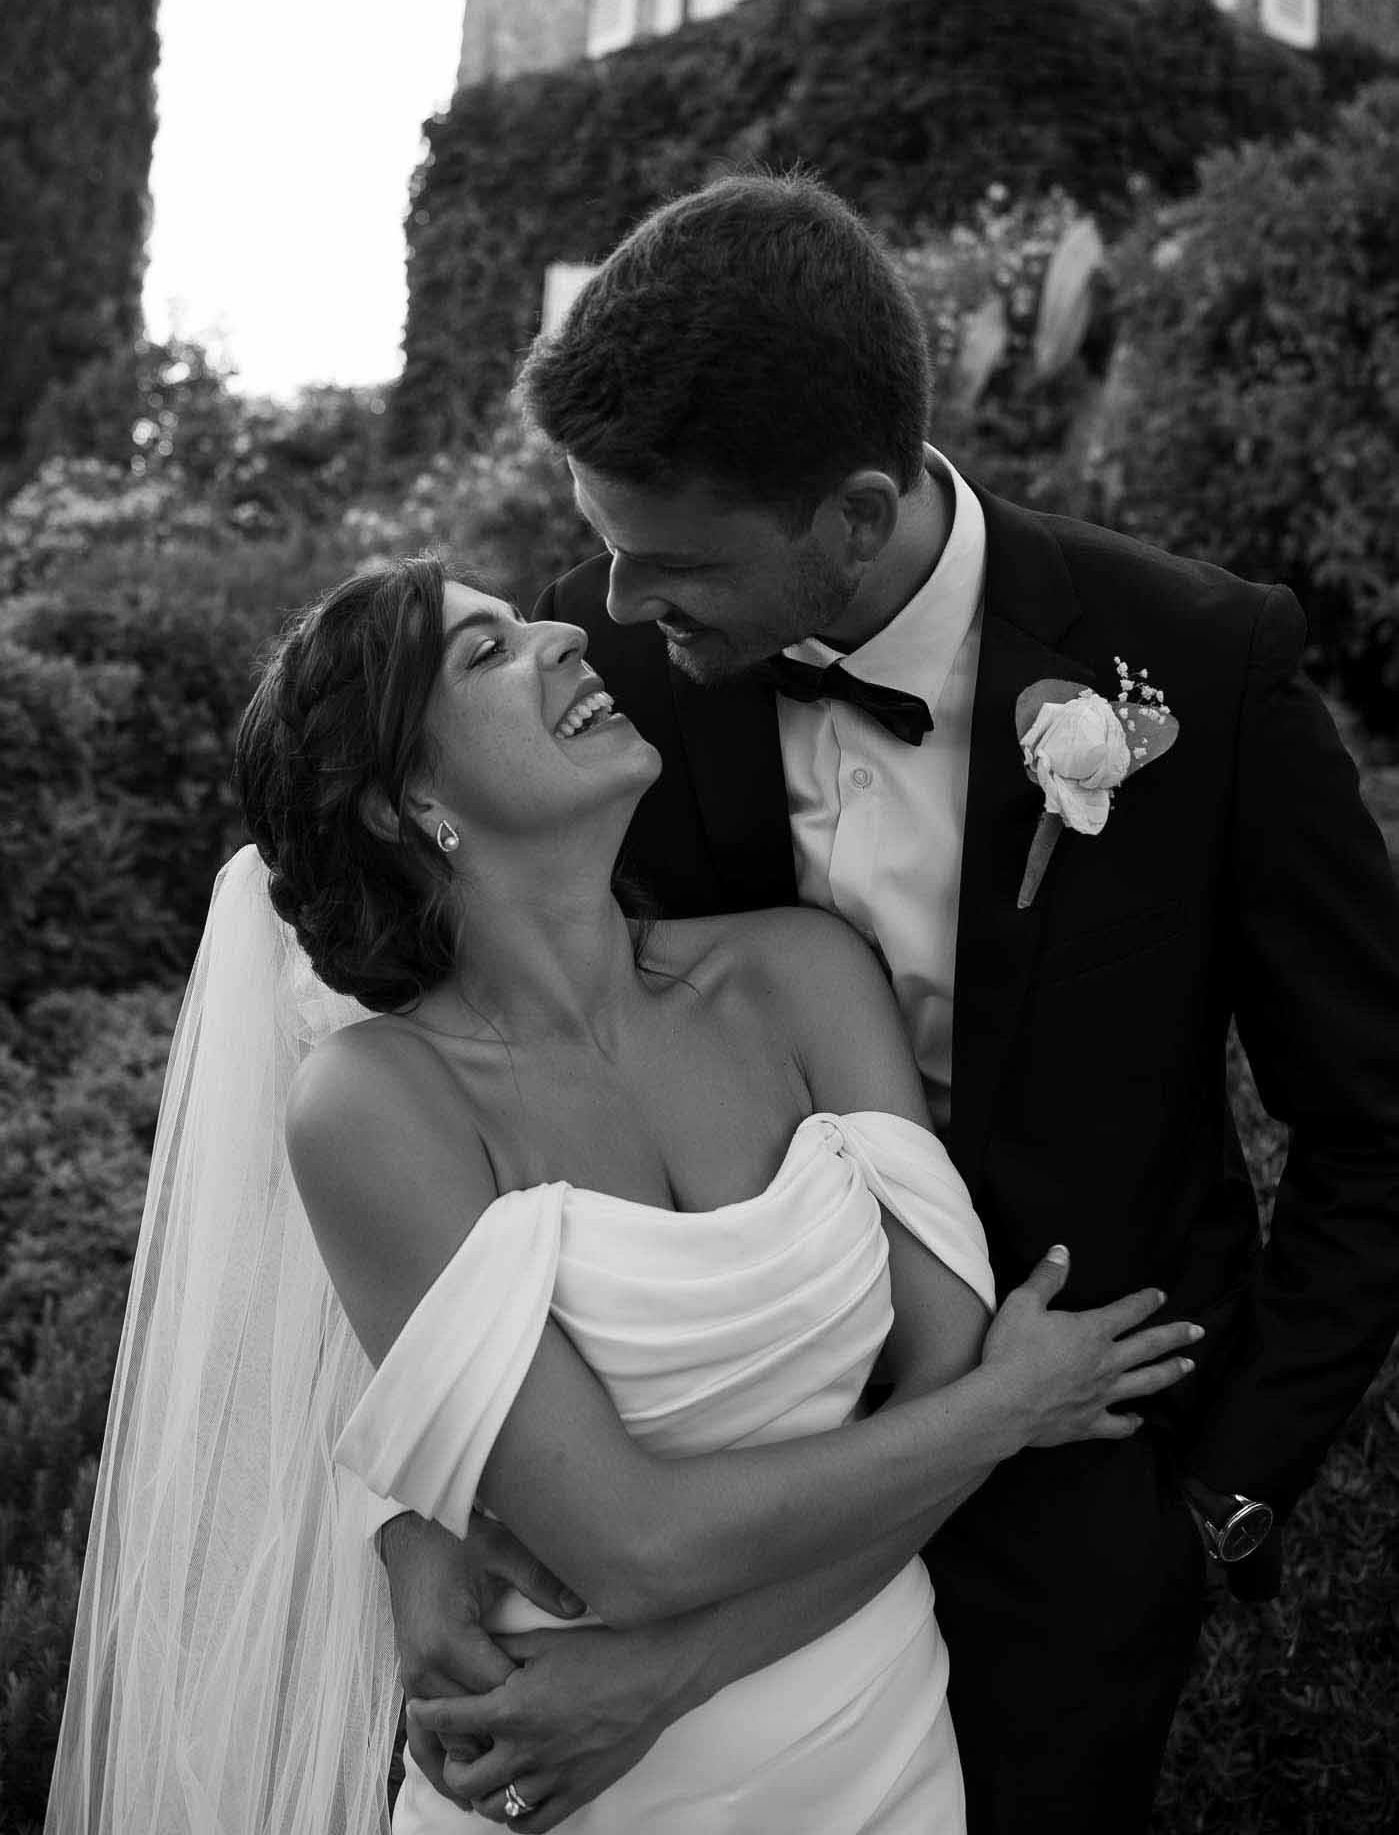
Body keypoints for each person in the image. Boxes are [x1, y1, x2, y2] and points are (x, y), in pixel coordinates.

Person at [384, 175, 1399, 1835]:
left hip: (1068, 1506)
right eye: (608, 547)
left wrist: (1218, 1488)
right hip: (713, 1467)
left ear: (855, 514)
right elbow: (453, 1055)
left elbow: (1372, 1121)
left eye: (668, 562)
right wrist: (416, 1512)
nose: (611, 603)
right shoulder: (616, 666)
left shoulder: (1195, 671)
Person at [44, 556, 1202, 1835]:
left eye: (522, 619)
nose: (559, 633)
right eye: (485, 652)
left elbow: (942, 1368)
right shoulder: (375, 1102)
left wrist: (668, 1671)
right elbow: (637, 1543)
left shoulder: (802, 972)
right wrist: (1008, 1406)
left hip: (883, 1748)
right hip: (565, 1774)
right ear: (406, 800)